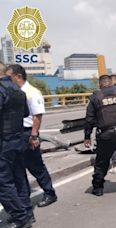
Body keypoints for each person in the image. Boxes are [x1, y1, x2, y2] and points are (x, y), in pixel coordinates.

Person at [7, 64, 58, 208]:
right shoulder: (12, 92)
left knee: (35, 166)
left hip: (28, 133)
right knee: (18, 169)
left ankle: (50, 192)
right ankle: (24, 199)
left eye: (9, 77)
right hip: (14, 134)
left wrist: (34, 136)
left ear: (18, 76)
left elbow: (37, 116)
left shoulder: (31, 92)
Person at [0, 62, 34, 228]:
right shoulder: (18, 90)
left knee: (4, 182)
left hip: (3, 142)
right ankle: (27, 212)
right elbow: (26, 113)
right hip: (18, 140)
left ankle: (21, 217)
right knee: (19, 177)